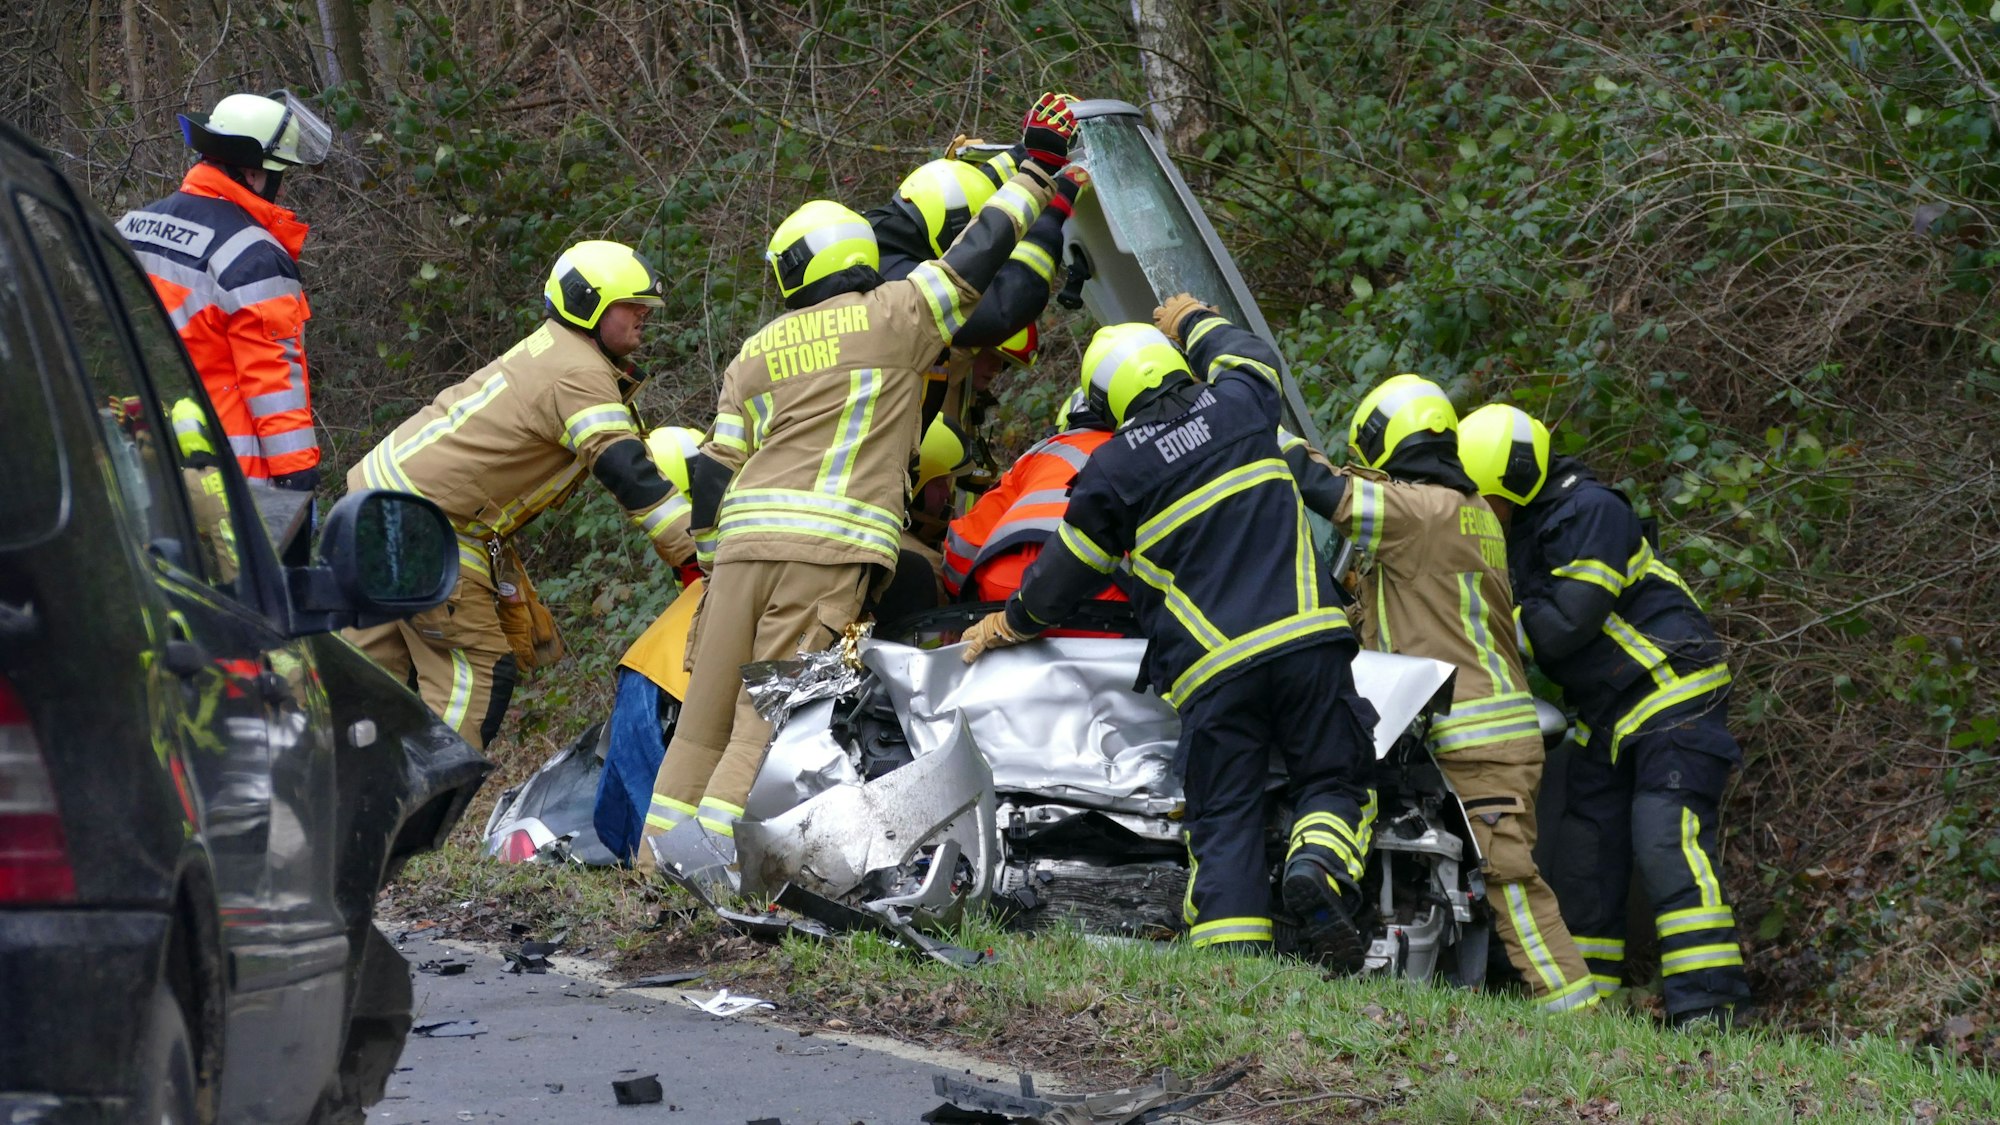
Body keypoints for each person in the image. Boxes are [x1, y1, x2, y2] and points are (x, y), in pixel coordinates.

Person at [638, 94, 1079, 879]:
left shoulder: (755, 350)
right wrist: (1039, 172)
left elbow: (711, 468)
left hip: (738, 556)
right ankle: (715, 878)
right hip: (826, 556)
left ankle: (655, 866)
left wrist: (712, 560)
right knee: (762, 723)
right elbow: (979, 256)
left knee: (701, 723)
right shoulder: (896, 315)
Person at [962, 297, 1377, 967]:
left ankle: (1236, 967)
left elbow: (1060, 578)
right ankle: (1320, 866)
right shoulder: (1243, 404)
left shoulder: (1116, 470)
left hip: (1216, 676)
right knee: (1333, 776)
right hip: (1310, 643)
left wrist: (1008, 623)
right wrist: (1192, 318)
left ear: (1105, 396)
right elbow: (1253, 355)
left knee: (1223, 819)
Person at [1279, 375, 1597, 1013]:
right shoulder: (1469, 513)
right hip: (1492, 728)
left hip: (1479, 736)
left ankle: (1578, 1020)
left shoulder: (1424, 513)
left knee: (1512, 882)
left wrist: (1249, 413)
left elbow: (1324, 489)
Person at [1457, 403, 1754, 1026]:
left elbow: (1567, 623)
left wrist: (1476, 630)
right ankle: (1597, 1006)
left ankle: (1709, 1008)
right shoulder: (1523, 532)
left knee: (1664, 838)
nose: (1479, 512)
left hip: (1672, 691)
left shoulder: (1591, 512)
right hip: (1607, 711)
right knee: (1585, 857)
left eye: (1484, 498)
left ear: (1510, 487)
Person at [345, 240, 693, 750]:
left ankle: (337, 791)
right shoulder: (580, 372)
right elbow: (626, 470)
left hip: (375, 509)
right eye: (631, 304)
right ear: (588, 304)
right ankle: (422, 811)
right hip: (427, 524)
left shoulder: (554, 351)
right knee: (476, 676)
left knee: (361, 682)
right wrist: (698, 554)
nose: (645, 314)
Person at [118, 90, 330, 490]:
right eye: (279, 175)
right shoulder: (255, 257)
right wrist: (298, 480)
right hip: (229, 479)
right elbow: (272, 378)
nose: (281, 191)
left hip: (139, 460)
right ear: (252, 174)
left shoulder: (130, 228)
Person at [941, 390, 1126, 609]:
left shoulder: (1039, 455)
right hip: (1101, 597)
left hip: (1004, 586)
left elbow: (965, 543)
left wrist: (959, 604)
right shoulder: (1151, 456)